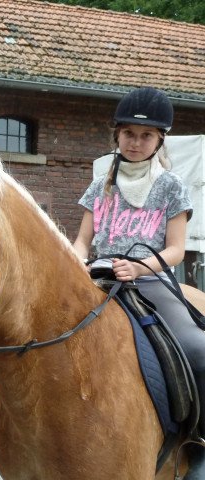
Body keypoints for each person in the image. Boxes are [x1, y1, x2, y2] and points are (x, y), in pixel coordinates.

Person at [73, 86, 205, 478]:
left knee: (199, 349)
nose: (136, 141)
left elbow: (177, 249)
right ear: (116, 134)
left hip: (147, 282)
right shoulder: (101, 185)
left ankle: (198, 442)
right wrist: (78, 260)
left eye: (146, 135)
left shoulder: (172, 186)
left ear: (159, 139)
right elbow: (83, 238)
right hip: (97, 277)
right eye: (129, 133)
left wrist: (140, 268)